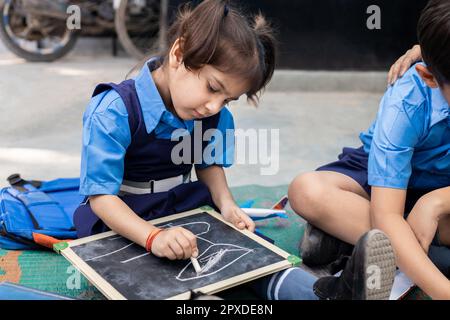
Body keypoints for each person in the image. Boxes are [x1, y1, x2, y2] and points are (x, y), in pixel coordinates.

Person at [73, 0, 397, 300]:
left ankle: (328, 295)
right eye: (213, 87)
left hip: (180, 206)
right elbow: (102, 198)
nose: (215, 105)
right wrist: (152, 237)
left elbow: (208, 164)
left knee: (247, 257)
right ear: (178, 54)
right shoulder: (114, 110)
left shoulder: (210, 114)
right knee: (149, 276)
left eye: (227, 99)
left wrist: (227, 206)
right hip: (123, 218)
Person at [288, 0, 450, 299]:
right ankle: (417, 253)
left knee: (408, 224)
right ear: (430, 78)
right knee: (307, 190)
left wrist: (437, 202)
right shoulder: (407, 100)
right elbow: (387, 214)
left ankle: (345, 240)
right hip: (382, 183)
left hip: (439, 192)